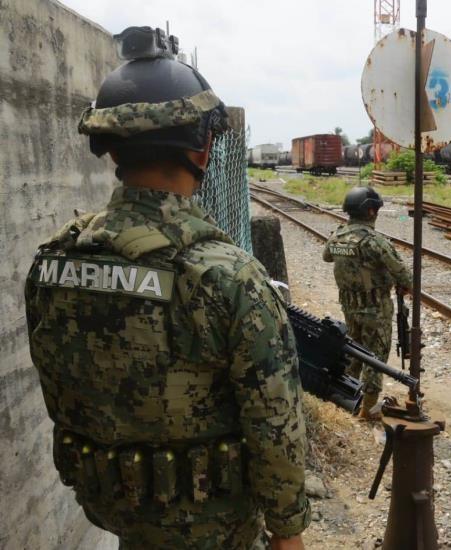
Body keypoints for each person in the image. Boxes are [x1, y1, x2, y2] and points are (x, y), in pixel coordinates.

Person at [24, 26, 309, 550]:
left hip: (112, 505)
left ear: (112, 151)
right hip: (215, 525)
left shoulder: (54, 261)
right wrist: (288, 532)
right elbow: (275, 427)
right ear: (200, 150)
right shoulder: (229, 277)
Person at [323, 187, 412, 420]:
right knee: (375, 357)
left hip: (349, 306)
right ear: (371, 211)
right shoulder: (375, 242)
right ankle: (369, 409)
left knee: (353, 351)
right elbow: (404, 276)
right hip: (375, 308)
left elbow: (327, 256)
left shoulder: (337, 235)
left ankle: (347, 397)